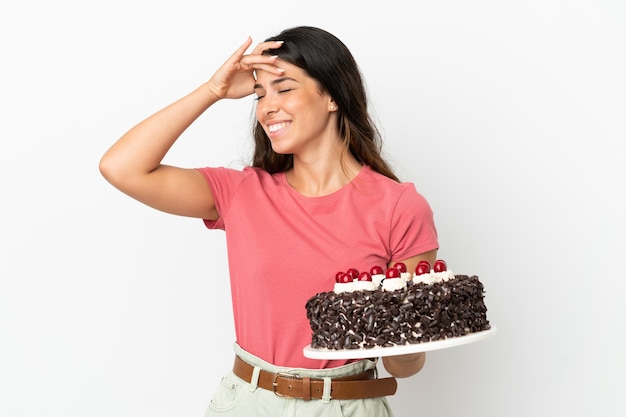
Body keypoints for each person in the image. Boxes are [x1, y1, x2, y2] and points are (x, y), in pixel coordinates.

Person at [100, 25, 439, 416]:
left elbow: (404, 364)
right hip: (247, 402)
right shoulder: (242, 193)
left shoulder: (399, 207)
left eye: (285, 88)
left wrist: (407, 345)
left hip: (346, 405)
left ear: (331, 95)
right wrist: (213, 90)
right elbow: (121, 168)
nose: (265, 107)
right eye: (260, 94)